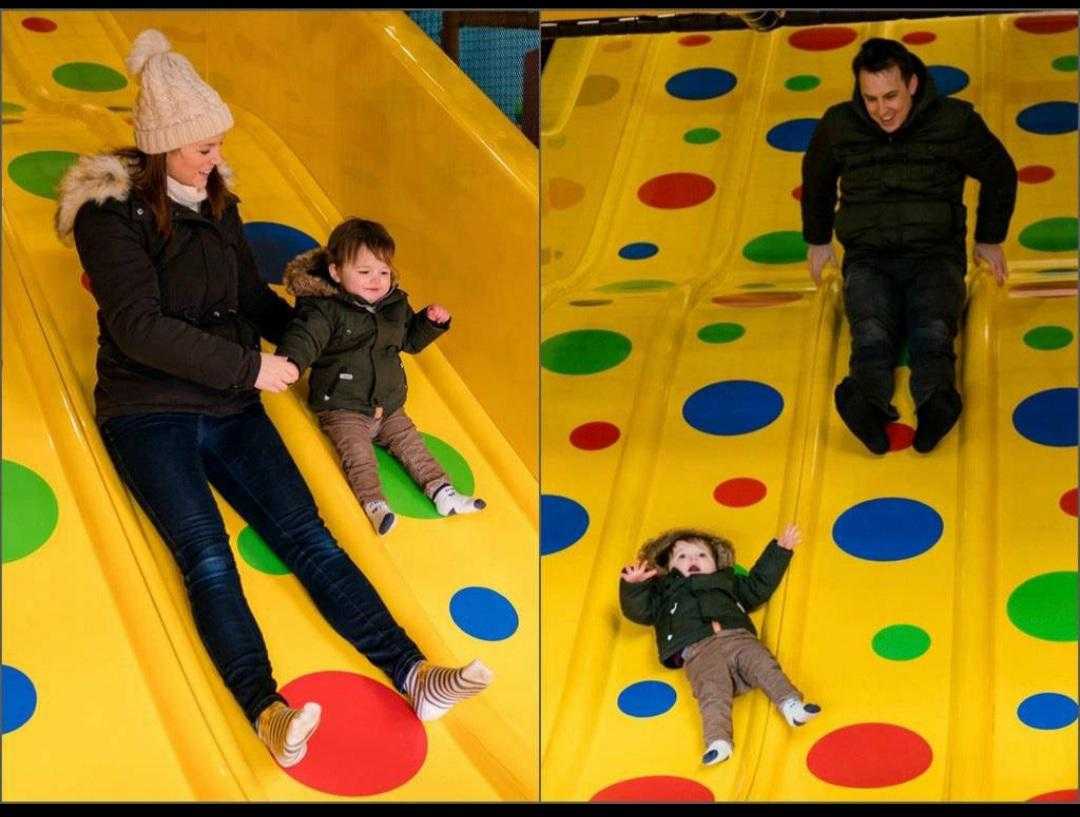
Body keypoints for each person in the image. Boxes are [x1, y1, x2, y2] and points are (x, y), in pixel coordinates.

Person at [55, 29, 491, 769]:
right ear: (163, 145)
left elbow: (245, 296)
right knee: (206, 555)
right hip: (149, 409)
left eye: (218, 141)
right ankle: (267, 709)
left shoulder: (220, 204)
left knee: (310, 536)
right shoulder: (111, 214)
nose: (216, 155)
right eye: (202, 147)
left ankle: (415, 674)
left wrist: (319, 338)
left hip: (228, 406)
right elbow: (136, 326)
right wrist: (247, 369)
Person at [801, 37, 1017, 454]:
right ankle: (865, 403)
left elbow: (1000, 173)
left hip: (934, 254)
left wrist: (989, 238)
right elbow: (817, 179)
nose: (882, 110)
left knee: (932, 327)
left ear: (913, 84)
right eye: (871, 99)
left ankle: (936, 402)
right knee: (870, 328)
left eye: (891, 96)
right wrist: (818, 239)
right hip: (869, 256)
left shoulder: (954, 122)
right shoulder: (839, 125)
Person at [275, 218, 486, 536]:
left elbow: (409, 341)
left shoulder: (394, 304)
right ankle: (376, 505)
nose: (376, 280)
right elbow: (306, 337)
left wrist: (429, 323)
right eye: (364, 272)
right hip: (343, 405)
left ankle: (443, 493)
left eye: (383, 272)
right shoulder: (323, 309)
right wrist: (291, 362)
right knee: (358, 455)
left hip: (387, 404)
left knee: (413, 446)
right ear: (336, 272)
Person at [619, 523, 819, 766]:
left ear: (716, 563)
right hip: (698, 650)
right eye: (682, 556)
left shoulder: (727, 582)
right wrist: (634, 586)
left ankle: (791, 704)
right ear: (668, 568)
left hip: (738, 638)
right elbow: (640, 611)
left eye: (702, 555)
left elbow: (758, 586)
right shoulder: (664, 593)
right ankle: (718, 742)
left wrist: (780, 551)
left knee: (764, 666)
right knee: (712, 693)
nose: (693, 559)